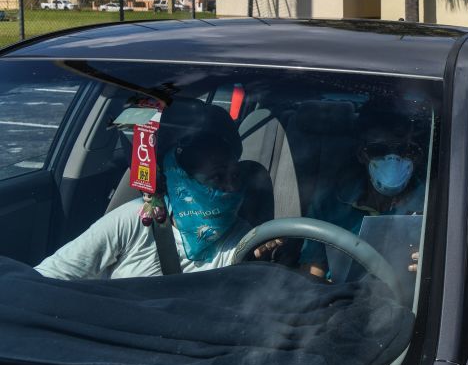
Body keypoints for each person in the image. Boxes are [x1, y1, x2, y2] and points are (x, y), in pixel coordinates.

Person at [36, 101, 254, 279]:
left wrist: (265, 255)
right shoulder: (135, 219)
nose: (232, 187)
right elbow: (49, 276)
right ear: (180, 180)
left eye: (235, 176)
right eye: (217, 177)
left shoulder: (243, 236)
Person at [300, 109, 426, 280]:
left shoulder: (433, 204)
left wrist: (428, 270)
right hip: (339, 300)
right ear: (362, 154)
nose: (392, 160)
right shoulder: (330, 202)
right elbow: (313, 271)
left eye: (404, 150)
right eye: (379, 150)